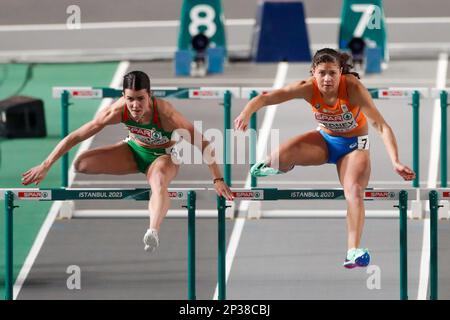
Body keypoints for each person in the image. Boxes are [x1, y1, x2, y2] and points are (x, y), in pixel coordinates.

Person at [234, 48, 416, 269]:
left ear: (341, 72)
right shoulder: (307, 88)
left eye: (332, 73)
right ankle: (283, 165)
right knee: (275, 159)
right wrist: (246, 112)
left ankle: (352, 251)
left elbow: (381, 126)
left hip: (354, 147)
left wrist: (395, 160)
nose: (327, 78)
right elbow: (264, 99)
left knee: (355, 191)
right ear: (313, 73)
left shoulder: (353, 88)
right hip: (325, 141)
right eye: (322, 73)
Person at [22, 70, 234, 253]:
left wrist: (218, 178)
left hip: (163, 156)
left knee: (159, 182)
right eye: (130, 98)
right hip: (134, 150)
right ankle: (133, 156)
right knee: (82, 164)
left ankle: (153, 230)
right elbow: (76, 136)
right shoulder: (117, 110)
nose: (135, 105)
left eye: (140, 98)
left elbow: (203, 142)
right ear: (123, 96)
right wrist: (46, 164)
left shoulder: (167, 114)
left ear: (149, 95)